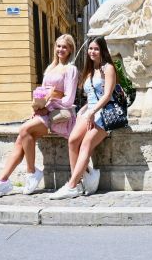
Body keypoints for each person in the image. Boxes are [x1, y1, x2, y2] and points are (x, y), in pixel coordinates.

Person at [0, 34, 79, 199]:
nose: (61, 49)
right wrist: (38, 105)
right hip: (43, 112)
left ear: (70, 49)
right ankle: (2, 181)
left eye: (65, 47)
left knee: (24, 129)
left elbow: (69, 99)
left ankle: (31, 172)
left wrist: (50, 100)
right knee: (21, 141)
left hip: (57, 115)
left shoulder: (71, 69)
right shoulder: (50, 68)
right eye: (58, 46)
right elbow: (41, 92)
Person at [50, 36, 115, 199]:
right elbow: (91, 96)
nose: (92, 52)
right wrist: (83, 110)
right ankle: (78, 182)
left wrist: (93, 112)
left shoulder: (108, 68)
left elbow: (107, 95)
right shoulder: (89, 70)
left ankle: (71, 185)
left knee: (86, 144)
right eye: (90, 49)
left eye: (96, 49)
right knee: (72, 141)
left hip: (105, 112)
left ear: (103, 51)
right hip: (89, 111)